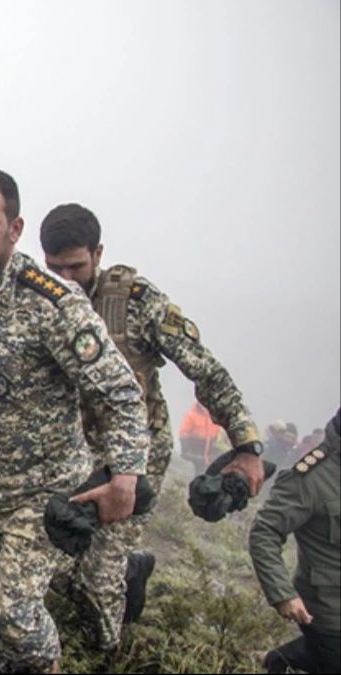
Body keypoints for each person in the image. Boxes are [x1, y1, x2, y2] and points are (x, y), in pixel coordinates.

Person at [0, 168, 149, 673]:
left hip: (44, 490)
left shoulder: (54, 304)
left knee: (16, 614)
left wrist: (125, 476)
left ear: (15, 229)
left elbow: (122, 392)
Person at [39, 202, 267, 651]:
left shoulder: (136, 302)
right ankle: (131, 568)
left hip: (135, 455)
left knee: (96, 575)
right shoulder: (40, 296)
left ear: (98, 253)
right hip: (71, 449)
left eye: (76, 267)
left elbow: (205, 370)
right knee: (50, 560)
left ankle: (107, 651)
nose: (66, 279)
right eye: (55, 268)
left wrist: (247, 444)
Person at [250, 410, 340, 674]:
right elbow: (265, 532)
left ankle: (278, 659)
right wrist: (283, 595)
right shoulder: (311, 477)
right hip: (329, 608)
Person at [179, 401, 224, 475]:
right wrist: (187, 449)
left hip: (210, 453)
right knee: (196, 474)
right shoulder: (191, 415)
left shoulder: (215, 416)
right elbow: (183, 433)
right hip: (195, 452)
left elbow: (218, 433)